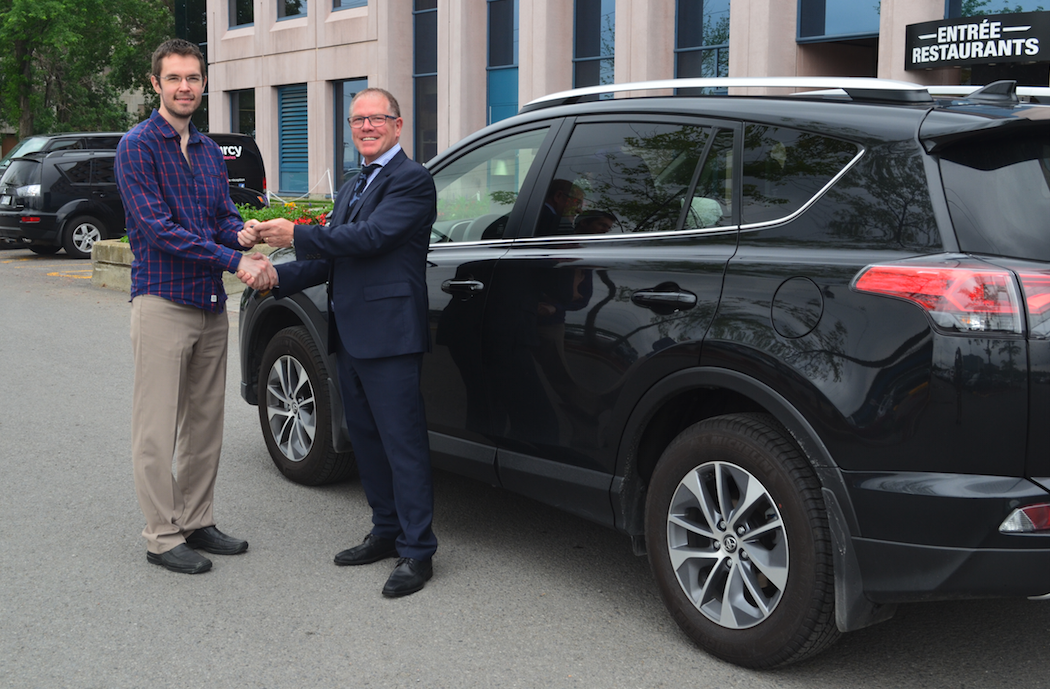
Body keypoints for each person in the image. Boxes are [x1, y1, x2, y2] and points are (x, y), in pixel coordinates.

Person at [244, 88, 438, 598]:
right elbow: (334, 257)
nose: (366, 127)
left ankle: (418, 552)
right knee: (367, 440)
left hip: (391, 336)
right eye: (358, 120)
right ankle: (385, 531)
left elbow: (370, 239)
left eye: (376, 118)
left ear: (398, 125)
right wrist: (273, 278)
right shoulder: (355, 184)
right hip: (351, 333)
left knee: (403, 444)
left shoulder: (412, 181)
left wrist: (297, 235)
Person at [115, 38, 274, 575]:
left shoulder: (207, 149)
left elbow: (220, 216)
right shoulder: (138, 146)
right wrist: (234, 261)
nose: (186, 87)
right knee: (157, 428)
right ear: (156, 84)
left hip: (209, 305)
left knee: (205, 421)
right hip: (163, 301)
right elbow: (159, 230)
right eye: (175, 78)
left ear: (204, 84)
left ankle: (197, 518)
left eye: (194, 78)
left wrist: (244, 233)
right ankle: (161, 535)